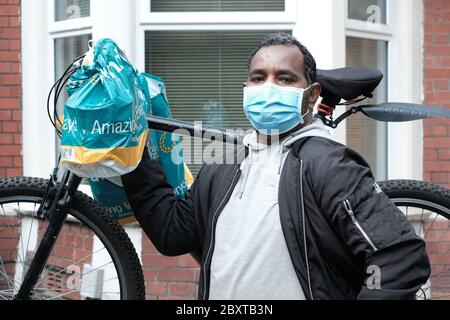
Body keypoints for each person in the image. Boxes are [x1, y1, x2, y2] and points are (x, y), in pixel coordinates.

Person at [121, 33, 430, 300]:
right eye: (259, 78)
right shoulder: (223, 164)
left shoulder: (328, 164)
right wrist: (130, 155)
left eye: (284, 78)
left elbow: (399, 257)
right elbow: (172, 233)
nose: (268, 87)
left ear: (311, 96)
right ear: (245, 89)